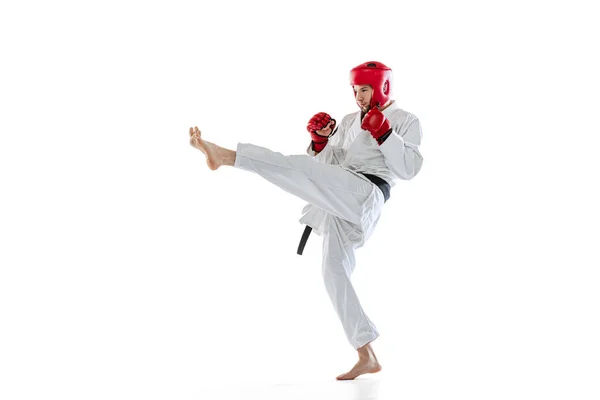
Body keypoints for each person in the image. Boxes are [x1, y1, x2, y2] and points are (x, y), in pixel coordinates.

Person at [189, 61, 423, 380]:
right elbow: (332, 165)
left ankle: (228, 156)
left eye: (364, 90)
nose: (358, 97)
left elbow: (408, 168)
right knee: (332, 270)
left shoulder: (406, 120)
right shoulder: (349, 120)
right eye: (354, 90)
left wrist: (385, 134)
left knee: (300, 169)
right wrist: (322, 142)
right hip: (342, 196)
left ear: (383, 87)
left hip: (366, 192)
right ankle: (366, 353)